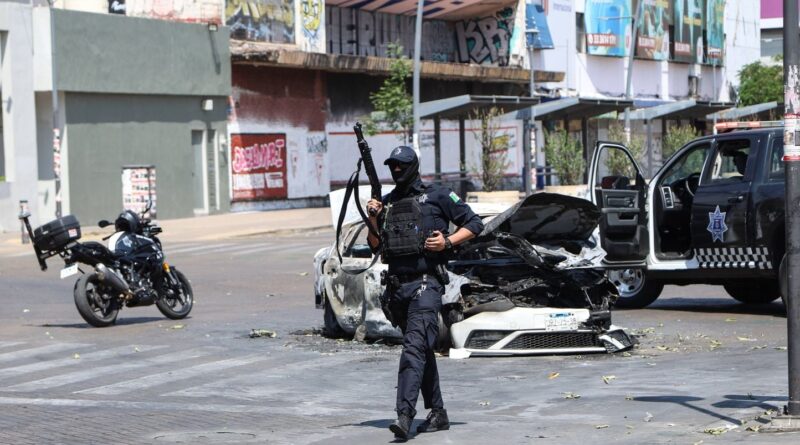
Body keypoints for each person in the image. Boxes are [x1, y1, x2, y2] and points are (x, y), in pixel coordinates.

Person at [366, 145, 484, 440]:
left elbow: (475, 223)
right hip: (397, 290)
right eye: (391, 165)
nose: (395, 170)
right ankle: (438, 413)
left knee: (413, 350)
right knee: (421, 352)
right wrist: (373, 218)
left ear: (413, 166)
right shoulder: (388, 203)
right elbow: (375, 246)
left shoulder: (439, 196)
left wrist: (448, 242)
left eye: (400, 165)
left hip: (426, 285)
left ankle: (404, 416)